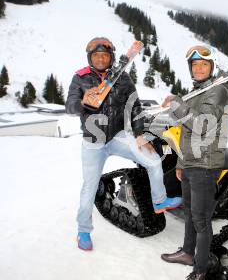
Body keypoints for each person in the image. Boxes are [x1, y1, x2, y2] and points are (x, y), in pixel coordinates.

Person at [66, 37, 182, 251]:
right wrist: (82, 102)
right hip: (93, 141)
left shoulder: (123, 78)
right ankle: (83, 230)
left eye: (105, 55)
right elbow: (70, 106)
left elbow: (135, 108)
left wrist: (139, 135)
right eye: (97, 55)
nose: (101, 58)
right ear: (90, 58)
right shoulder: (80, 78)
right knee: (89, 187)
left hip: (118, 135)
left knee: (153, 160)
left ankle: (159, 201)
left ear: (111, 57)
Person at [160, 45, 228, 280]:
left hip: (206, 164)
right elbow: (185, 131)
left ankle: (200, 271)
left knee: (201, 220)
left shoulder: (218, 91)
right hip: (191, 163)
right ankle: (187, 253)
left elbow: (202, 126)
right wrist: (181, 164)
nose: (199, 68)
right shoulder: (197, 92)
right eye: (195, 65)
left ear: (211, 67)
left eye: (203, 64)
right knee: (190, 214)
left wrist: (177, 104)